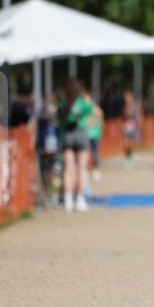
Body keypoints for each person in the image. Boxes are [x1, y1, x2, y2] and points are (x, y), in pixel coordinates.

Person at [57, 79, 94, 212]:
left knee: (68, 168)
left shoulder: (63, 103)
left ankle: (67, 200)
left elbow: (59, 118)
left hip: (67, 135)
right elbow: (91, 115)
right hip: (81, 134)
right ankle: (80, 199)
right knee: (81, 168)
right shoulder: (83, 104)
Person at [121, 89, 142, 168]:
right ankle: (127, 158)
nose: (125, 99)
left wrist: (139, 123)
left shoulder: (136, 106)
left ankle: (132, 154)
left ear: (131, 97)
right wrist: (122, 125)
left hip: (134, 128)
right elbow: (123, 117)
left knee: (133, 144)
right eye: (125, 98)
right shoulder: (124, 107)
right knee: (126, 144)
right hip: (127, 128)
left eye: (127, 97)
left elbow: (139, 116)